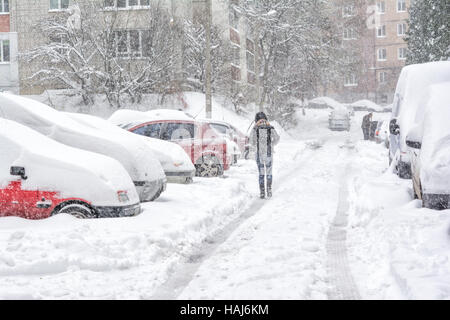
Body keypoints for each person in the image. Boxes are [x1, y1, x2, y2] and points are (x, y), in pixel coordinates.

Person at [249, 112, 280, 199]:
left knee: (261, 173)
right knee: (269, 172)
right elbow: (277, 138)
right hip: (269, 153)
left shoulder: (255, 127)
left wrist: (256, 144)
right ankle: (269, 190)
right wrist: (272, 144)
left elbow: (251, 141)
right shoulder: (270, 126)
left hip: (259, 153)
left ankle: (262, 192)